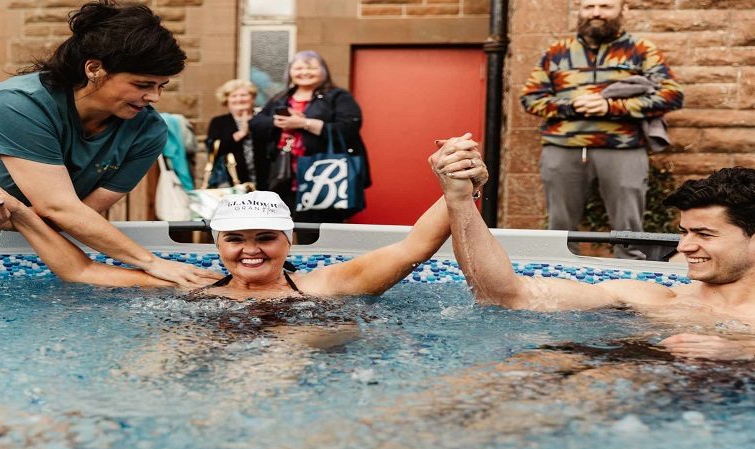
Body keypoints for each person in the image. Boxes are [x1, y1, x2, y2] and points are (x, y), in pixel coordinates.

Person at [0, 1, 218, 288]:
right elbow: (58, 207)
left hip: (32, 210)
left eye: (162, 86)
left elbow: (81, 212)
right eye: (142, 84)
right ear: (95, 69)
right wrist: (152, 263)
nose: (154, 97)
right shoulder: (20, 103)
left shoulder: (149, 132)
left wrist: (18, 221)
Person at [0, 135, 484, 299]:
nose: (251, 250)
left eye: (266, 238)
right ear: (217, 242)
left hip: (290, 345)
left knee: (275, 361)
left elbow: (414, 247)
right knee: (148, 371)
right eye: (236, 239)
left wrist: (460, 187)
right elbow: (80, 271)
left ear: (289, 241)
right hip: (198, 335)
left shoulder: (323, 287)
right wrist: (19, 214)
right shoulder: (191, 286)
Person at [431, 135, 755, 361]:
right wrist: (460, 199)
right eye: (684, 232)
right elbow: (506, 295)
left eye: (705, 234)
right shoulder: (651, 298)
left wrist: (741, 352)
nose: (684, 246)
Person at [520, 0, 684, 259]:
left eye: (605, 6)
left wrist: (611, 107)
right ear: (580, 11)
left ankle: (630, 284)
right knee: (559, 228)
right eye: (589, 6)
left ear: (624, 10)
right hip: (563, 148)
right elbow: (530, 98)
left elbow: (672, 95)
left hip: (623, 148)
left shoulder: (641, 50)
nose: (596, 12)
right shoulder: (556, 52)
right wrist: (572, 106)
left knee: (629, 229)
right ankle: (561, 279)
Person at [250, 51, 370, 223]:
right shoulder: (281, 98)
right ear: (290, 71)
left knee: (320, 230)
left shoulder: (337, 96)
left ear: (324, 71)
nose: (304, 72)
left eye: (311, 67)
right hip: (284, 176)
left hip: (324, 176)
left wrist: (304, 124)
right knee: (283, 229)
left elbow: (349, 127)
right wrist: (279, 122)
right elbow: (256, 123)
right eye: (298, 68)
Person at [206, 79, 260, 186]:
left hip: (264, 179)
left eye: (244, 95)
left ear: (252, 97)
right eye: (234, 96)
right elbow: (213, 149)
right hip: (232, 181)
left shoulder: (261, 119)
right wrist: (240, 134)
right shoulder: (219, 122)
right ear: (226, 100)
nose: (239, 99)